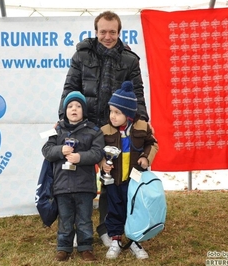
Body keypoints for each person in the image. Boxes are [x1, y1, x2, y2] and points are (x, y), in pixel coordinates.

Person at [58, 10, 150, 247]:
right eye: (103, 32)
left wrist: (143, 121)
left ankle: (109, 228)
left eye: (112, 32)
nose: (107, 36)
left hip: (115, 129)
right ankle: (81, 229)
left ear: (119, 32)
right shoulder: (81, 56)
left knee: (113, 178)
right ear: (96, 31)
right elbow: (70, 89)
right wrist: (63, 118)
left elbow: (137, 95)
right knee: (81, 179)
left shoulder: (130, 60)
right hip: (85, 128)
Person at [42, 91, 104, 262]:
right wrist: (60, 150)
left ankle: (86, 247)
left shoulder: (93, 131)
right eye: (70, 106)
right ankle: (63, 247)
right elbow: (46, 151)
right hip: (62, 185)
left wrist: (80, 158)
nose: (74, 109)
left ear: (84, 110)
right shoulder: (57, 130)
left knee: (84, 219)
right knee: (65, 219)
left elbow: (98, 153)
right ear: (65, 110)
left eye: (78, 106)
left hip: (84, 185)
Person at [100, 81, 158, 259]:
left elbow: (152, 144)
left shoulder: (142, 127)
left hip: (134, 181)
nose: (113, 116)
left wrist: (145, 158)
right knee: (115, 209)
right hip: (114, 180)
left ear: (129, 115)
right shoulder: (104, 130)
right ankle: (115, 240)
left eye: (117, 112)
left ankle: (135, 241)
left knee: (134, 209)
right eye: (111, 111)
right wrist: (103, 162)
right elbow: (96, 149)